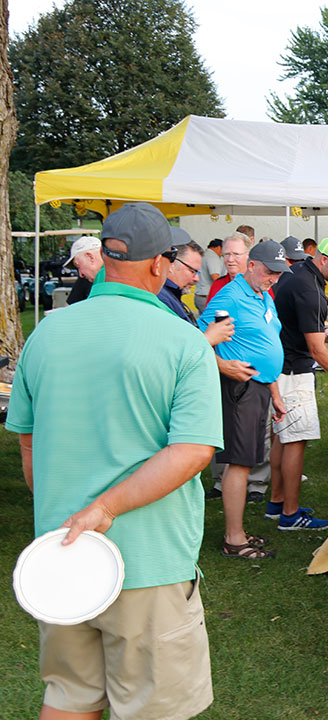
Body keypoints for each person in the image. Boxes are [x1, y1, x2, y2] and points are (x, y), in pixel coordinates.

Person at [5, 201, 221, 720]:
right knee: (153, 708)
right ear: (158, 264)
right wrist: (106, 508)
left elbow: (28, 444)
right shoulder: (184, 342)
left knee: (68, 697)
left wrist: (68, 510)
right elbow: (192, 451)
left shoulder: (46, 333)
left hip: (61, 553)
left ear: (104, 256)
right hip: (148, 562)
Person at [200, 241, 291, 559]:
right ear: (251, 265)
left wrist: (275, 391)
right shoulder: (229, 297)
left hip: (259, 388)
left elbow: (268, 343)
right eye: (269, 272)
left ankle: (236, 531)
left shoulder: (263, 295)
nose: (273, 279)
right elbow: (196, 342)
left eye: (278, 273)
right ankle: (233, 539)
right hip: (239, 389)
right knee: (239, 464)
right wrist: (223, 365)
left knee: (247, 461)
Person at [270, 236, 328, 530]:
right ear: (323, 259)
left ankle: (276, 503)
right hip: (294, 370)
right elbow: (316, 350)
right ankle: (290, 514)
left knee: (280, 437)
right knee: (296, 440)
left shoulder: (297, 273)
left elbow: (305, 328)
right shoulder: (310, 289)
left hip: (281, 365)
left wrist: (325, 332)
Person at [207, 232, 252, 302]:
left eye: (236, 254)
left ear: (248, 256)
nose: (230, 259)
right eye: (227, 254)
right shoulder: (217, 285)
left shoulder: (259, 285)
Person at [63, 235, 102, 305]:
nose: (80, 274)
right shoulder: (85, 280)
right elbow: (69, 308)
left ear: (90, 257)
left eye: (78, 266)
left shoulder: (118, 276)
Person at [194, 238, 223, 313]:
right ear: (218, 248)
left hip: (200, 295)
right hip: (207, 296)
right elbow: (215, 276)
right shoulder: (212, 257)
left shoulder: (204, 255)